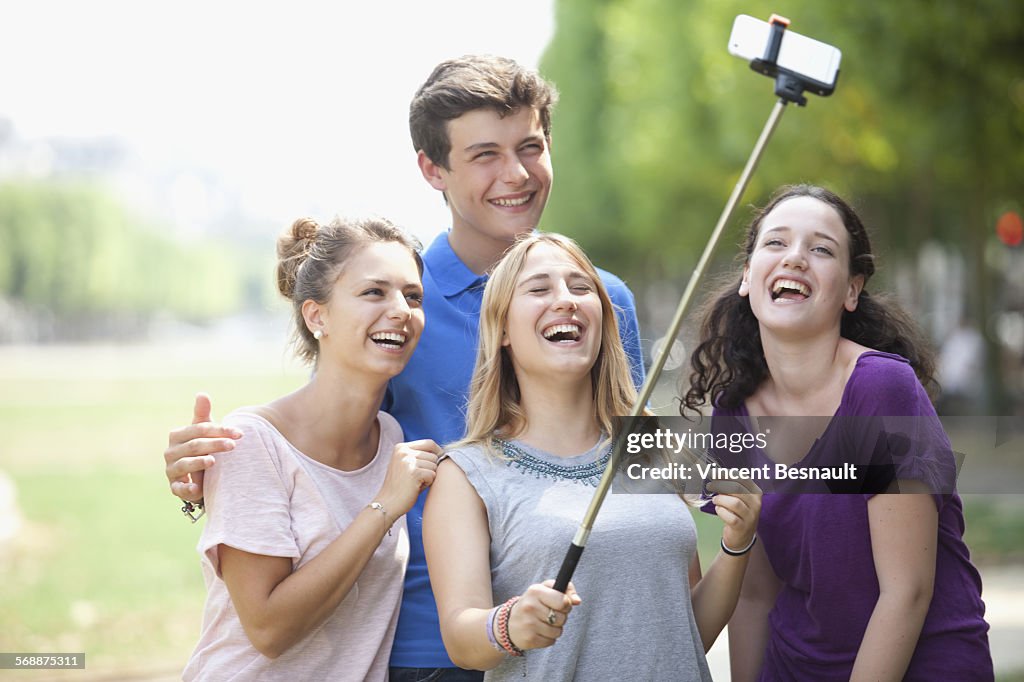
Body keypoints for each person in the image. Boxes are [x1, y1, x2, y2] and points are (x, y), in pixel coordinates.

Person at [163, 55, 645, 681]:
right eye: (484, 155)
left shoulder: (602, 302)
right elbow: (321, 440)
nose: (517, 174)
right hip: (429, 651)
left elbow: (633, 455)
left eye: (530, 147)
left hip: (578, 632)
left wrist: (769, 459)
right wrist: (207, 470)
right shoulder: (403, 308)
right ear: (431, 169)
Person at [683, 184, 993, 681]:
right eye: (776, 243)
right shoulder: (732, 413)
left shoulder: (882, 387)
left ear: (851, 289)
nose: (796, 259)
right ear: (747, 277)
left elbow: (906, 591)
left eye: (821, 248)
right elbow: (756, 593)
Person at [424, 233, 761, 680]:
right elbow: (461, 641)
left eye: (582, 288)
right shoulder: (466, 474)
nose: (565, 300)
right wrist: (510, 624)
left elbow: (686, 632)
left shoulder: (650, 448)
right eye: (540, 289)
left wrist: (737, 546)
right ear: (502, 328)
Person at [183, 217, 442, 681]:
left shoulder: (391, 438)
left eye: (413, 296)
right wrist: (383, 507)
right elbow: (268, 629)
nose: (402, 309)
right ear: (316, 315)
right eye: (374, 292)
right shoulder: (251, 442)